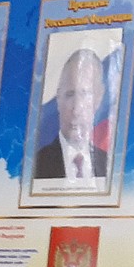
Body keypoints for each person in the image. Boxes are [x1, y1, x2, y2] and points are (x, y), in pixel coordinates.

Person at [34, 46, 109, 184]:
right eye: (69, 94)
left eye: (85, 94)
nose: (76, 109)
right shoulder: (34, 165)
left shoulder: (110, 166)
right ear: (58, 98)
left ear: (99, 97)